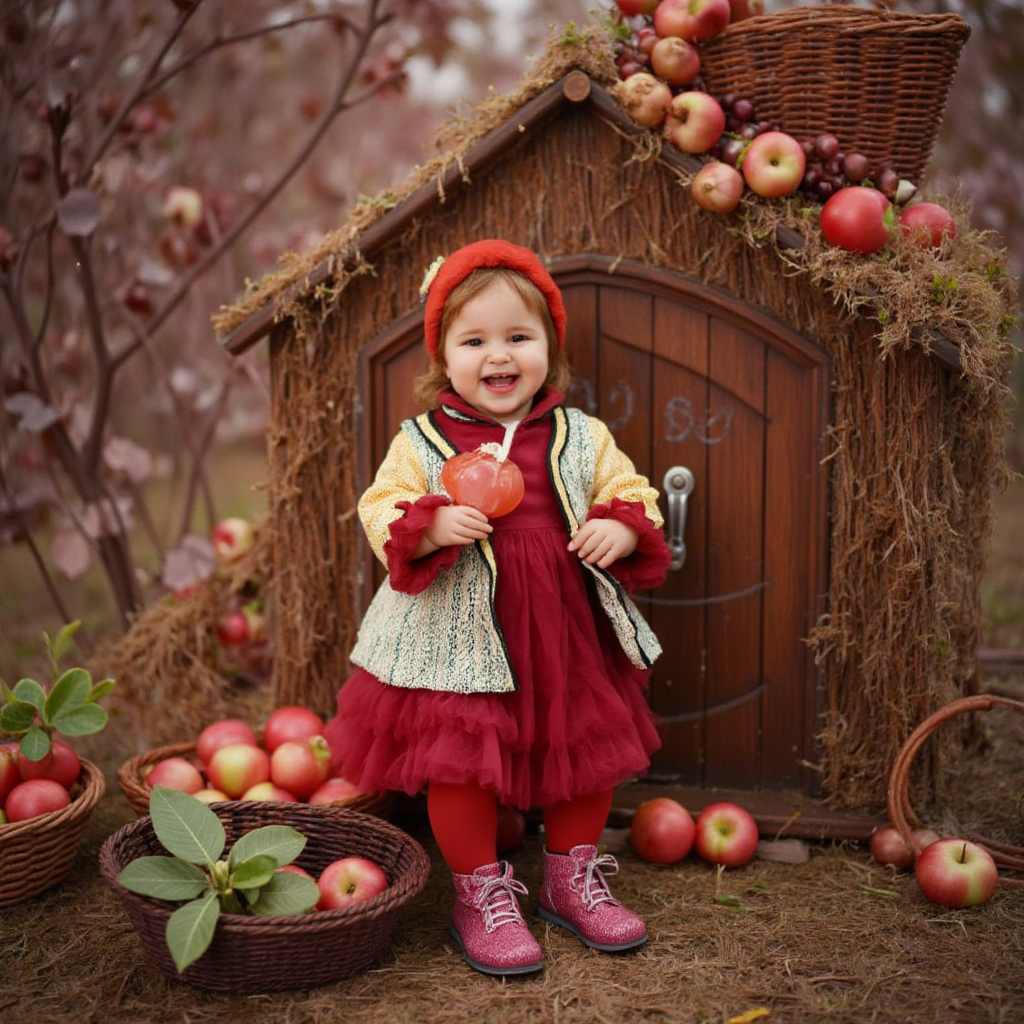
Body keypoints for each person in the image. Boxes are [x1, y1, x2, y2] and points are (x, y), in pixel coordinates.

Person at [324, 239, 671, 977]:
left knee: (583, 751)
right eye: (474, 341)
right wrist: (429, 526)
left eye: (519, 336)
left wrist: (620, 525)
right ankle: (479, 894)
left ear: (550, 345)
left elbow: (630, 488)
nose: (499, 355)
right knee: (461, 763)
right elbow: (379, 505)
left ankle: (571, 878)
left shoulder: (581, 435)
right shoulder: (421, 441)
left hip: (563, 627)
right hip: (457, 633)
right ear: (443, 356)